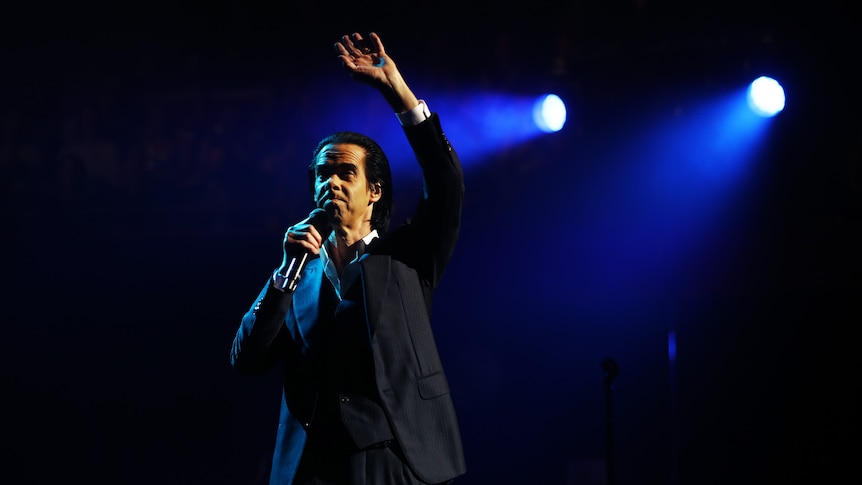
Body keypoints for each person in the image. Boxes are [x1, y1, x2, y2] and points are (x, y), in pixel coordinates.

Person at [230, 31, 466, 485]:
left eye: (345, 172)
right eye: (322, 174)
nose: (331, 183)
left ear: (374, 191)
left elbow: (447, 184)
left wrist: (395, 87)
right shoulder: (298, 270)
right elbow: (246, 359)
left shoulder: (408, 255)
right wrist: (283, 276)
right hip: (315, 466)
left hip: (393, 457)